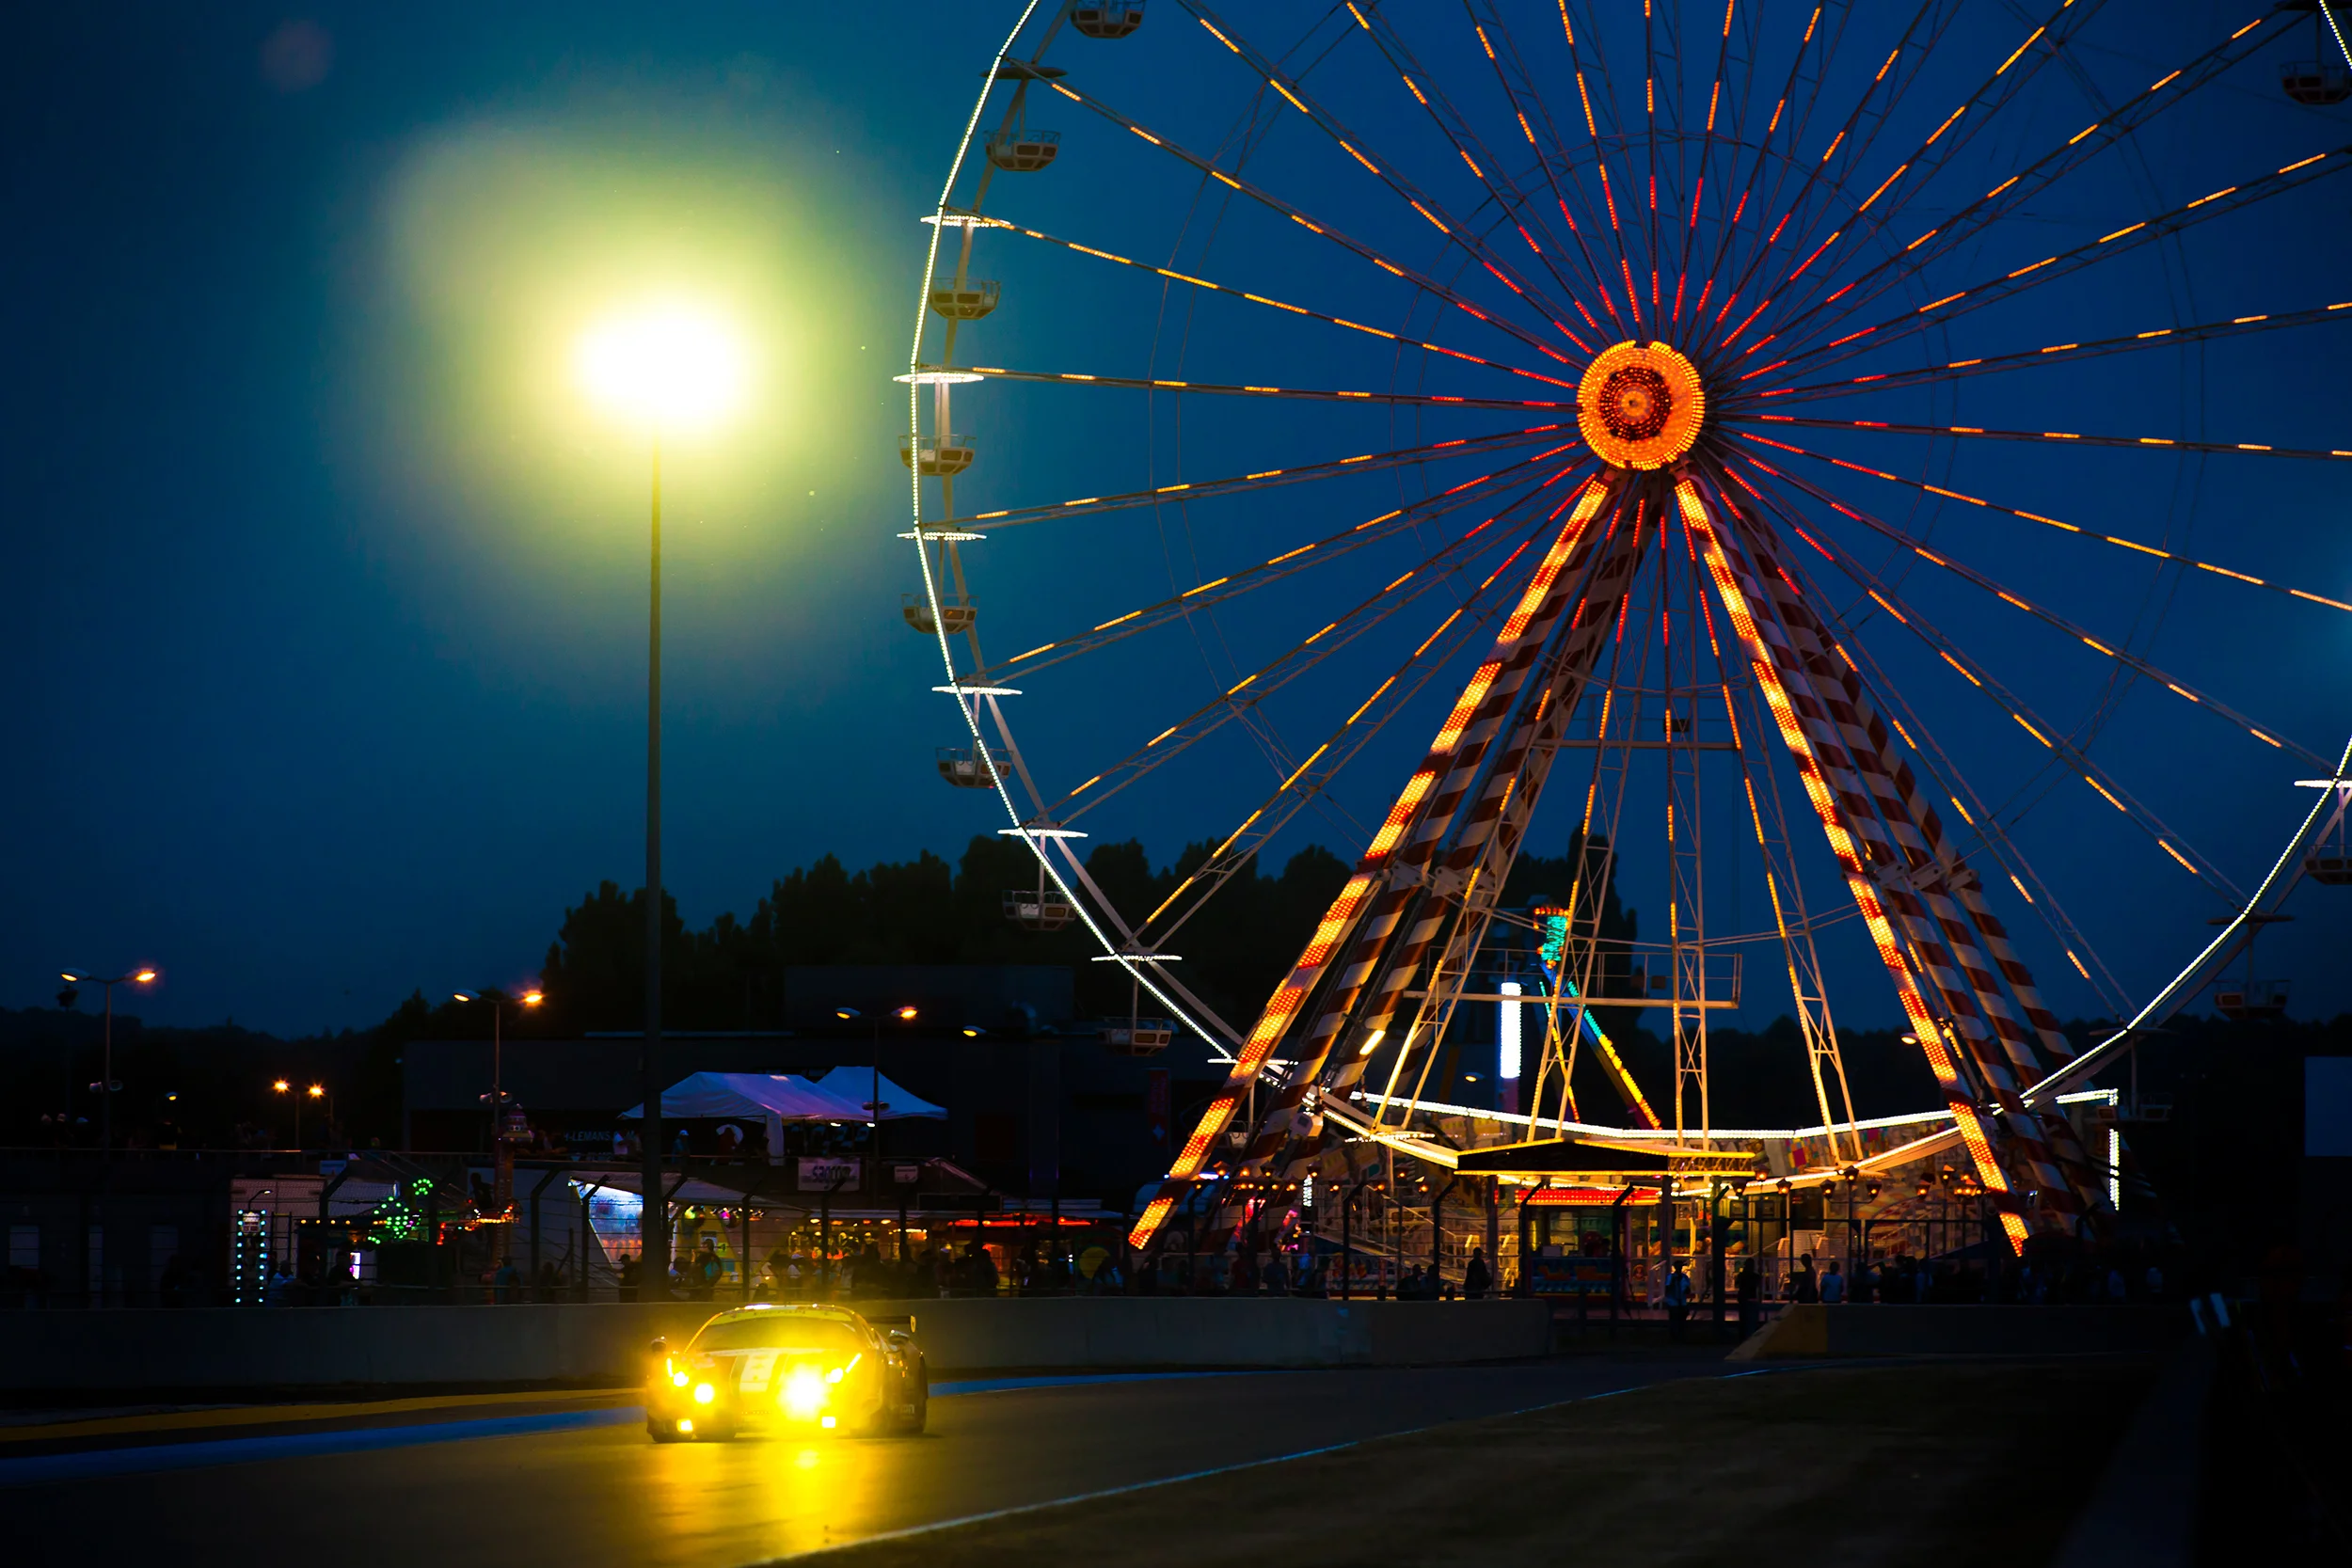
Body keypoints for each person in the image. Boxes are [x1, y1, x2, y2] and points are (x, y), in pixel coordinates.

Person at [1663, 1260, 1692, 1340]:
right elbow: (1668, 1288)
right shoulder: (1671, 1277)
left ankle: (1681, 1335)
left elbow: (1688, 1290)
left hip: (1682, 1302)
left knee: (1682, 1319)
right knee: (1674, 1320)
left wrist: (1686, 1290)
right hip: (1673, 1302)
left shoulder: (1685, 1277)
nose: (1680, 1268)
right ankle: (1673, 1336)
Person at [1735, 1259, 1760, 1338]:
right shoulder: (1755, 1276)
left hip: (1743, 1298)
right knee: (1751, 1320)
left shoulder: (1741, 1275)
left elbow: (1737, 1284)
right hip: (1751, 1298)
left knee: (1743, 1319)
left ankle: (1742, 1336)